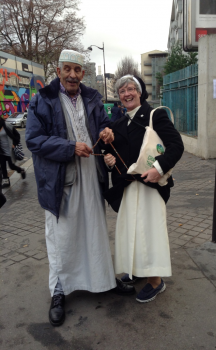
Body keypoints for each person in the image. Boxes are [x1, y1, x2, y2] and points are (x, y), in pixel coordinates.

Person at [25, 50, 135, 327]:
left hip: (92, 175)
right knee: (62, 236)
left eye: (78, 70)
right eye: (68, 69)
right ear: (59, 70)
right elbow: (34, 140)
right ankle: (59, 291)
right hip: (61, 178)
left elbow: (103, 126)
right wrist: (69, 147)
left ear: (83, 73)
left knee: (95, 230)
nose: (73, 74)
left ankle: (103, 280)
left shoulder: (93, 98)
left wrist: (107, 132)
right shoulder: (43, 99)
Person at [103, 75, 184, 303]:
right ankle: (137, 269)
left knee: (149, 233)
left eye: (131, 89)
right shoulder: (117, 123)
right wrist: (109, 159)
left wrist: (159, 168)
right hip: (128, 187)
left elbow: (176, 145)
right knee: (131, 231)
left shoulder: (154, 115)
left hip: (150, 186)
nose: (126, 94)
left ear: (140, 92)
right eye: (122, 91)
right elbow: (117, 154)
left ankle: (156, 281)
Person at [0, 117, 26, 188]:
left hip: (10, 150)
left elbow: (17, 135)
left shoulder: (7, 125)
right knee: (3, 167)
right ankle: (6, 182)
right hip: (1, 151)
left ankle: (21, 170)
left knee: (11, 166)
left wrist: (14, 143)